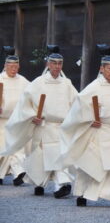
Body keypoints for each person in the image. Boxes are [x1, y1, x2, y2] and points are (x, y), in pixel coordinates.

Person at [59, 55, 110, 208]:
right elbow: (79, 106)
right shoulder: (94, 87)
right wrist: (89, 120)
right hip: (98, 130)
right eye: (109, 68)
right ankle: (82, 193)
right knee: (92, 164)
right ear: (102, 69)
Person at [3, 52, 78, 198]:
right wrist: (32, 116)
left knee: (59, 155)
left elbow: (77, 103)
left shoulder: (67, 83)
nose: (57, 66)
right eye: (54, 63)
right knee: (41, 157)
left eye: (59, 63)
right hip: (43, 125)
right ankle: (40, 183)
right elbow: (24, 103)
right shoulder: (38, 82)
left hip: (60, 126)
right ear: (48, 65)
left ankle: (60, 185)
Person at [0, 55, 29, 186]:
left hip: (17, 121)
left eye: (16, 66)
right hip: (2, 121)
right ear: (5, 66)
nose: (13, 69)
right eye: (10, 66)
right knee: (3, 148)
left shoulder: (23, 81)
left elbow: (32, 95)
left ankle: (19, 173)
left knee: (18, 148)